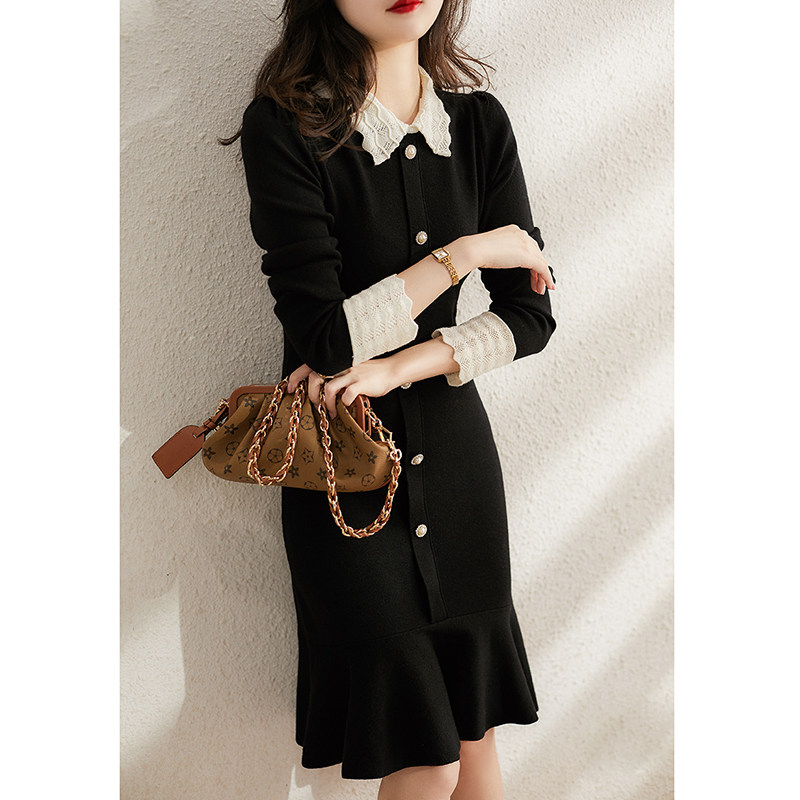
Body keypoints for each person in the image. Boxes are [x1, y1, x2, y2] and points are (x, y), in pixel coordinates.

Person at [223, 1, 557, 797]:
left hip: (460, 468)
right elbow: (328, 340)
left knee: (474, 742)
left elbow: (530, 316)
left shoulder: (480, 126)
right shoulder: (286, 129)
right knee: (427, 755)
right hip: (344, 478)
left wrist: (401, 367)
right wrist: (463, 253)